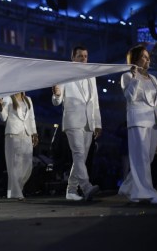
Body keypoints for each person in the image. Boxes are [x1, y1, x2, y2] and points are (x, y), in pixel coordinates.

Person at [52, 45, 101, 201]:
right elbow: (56, 101)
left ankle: (71, 190)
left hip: (88, 122)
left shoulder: (91, 76)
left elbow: (95, 101)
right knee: (79, 154)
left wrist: (97, 123)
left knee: (81, 158)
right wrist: (57, 95)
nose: (83, 59)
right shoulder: (64, 74)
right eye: (80, 56)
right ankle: (86, 187)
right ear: (72, 58)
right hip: (72, 120)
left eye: (85, 56)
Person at [118, 44, 157, 204]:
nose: (147, 59)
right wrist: (135, 76)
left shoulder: (153, 79)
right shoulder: (127, 76)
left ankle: (127, 187)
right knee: (141, 157)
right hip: (137, 119)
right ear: (135, 59)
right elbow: (130, 97)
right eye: (144, 56)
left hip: (153, 120)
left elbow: (154, 101)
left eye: (148, 57)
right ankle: (146, 193)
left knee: (147, 158)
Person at [0, 92, 38, 200]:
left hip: (27, 134)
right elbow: (3, 117)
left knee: (28, 165)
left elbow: (31, 117)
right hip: (13, 134)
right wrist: (1, 106)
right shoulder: (8, 98)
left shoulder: (28, 99)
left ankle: (14, 190)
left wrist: (35, 133)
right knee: (14, 165)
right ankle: (17, 192)